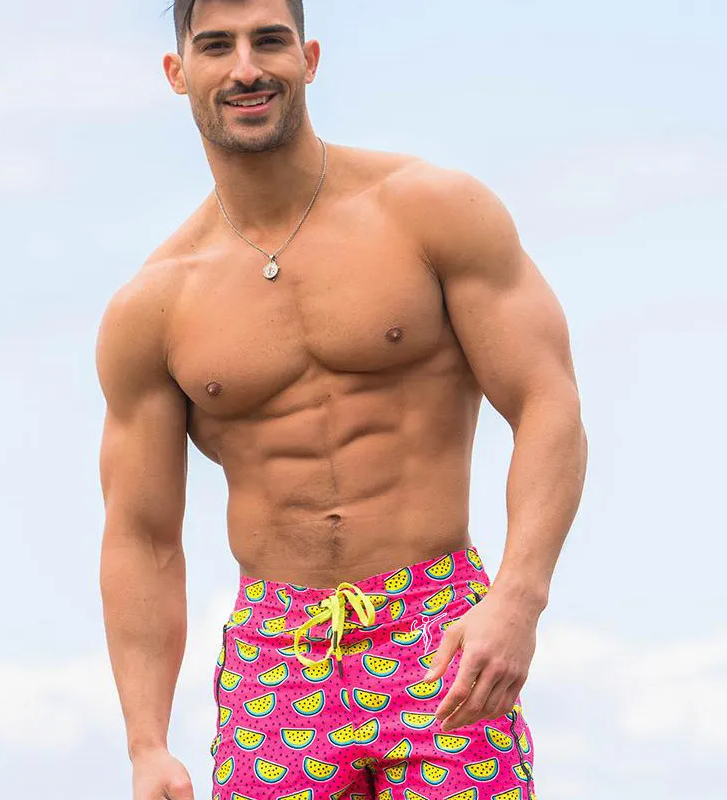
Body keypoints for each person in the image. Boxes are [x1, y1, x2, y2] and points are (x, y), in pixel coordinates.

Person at [95, 1, 588, 798]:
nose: (246, 69)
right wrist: (145, 744)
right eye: (217, 46)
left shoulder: (428, 211)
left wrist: (518, 599)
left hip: (440, 629)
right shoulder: (152, 306)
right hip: (275, 657)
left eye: (269, 41)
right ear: (178, 72)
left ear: (310, 57)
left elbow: (547, 400)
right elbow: (142, 536)